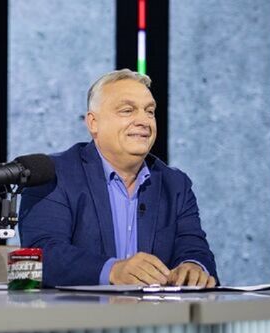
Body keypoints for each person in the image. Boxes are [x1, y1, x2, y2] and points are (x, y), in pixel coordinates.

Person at [19, 69, 217, 288]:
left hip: (155, 309)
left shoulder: (175, 184)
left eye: (149, 111)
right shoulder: (53, 174)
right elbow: (39, 256)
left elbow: (195, 248)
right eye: (127, 110)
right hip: (77, 309)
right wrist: (112, 271)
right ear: (93, 123)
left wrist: (193, 267)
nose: (143, 120)